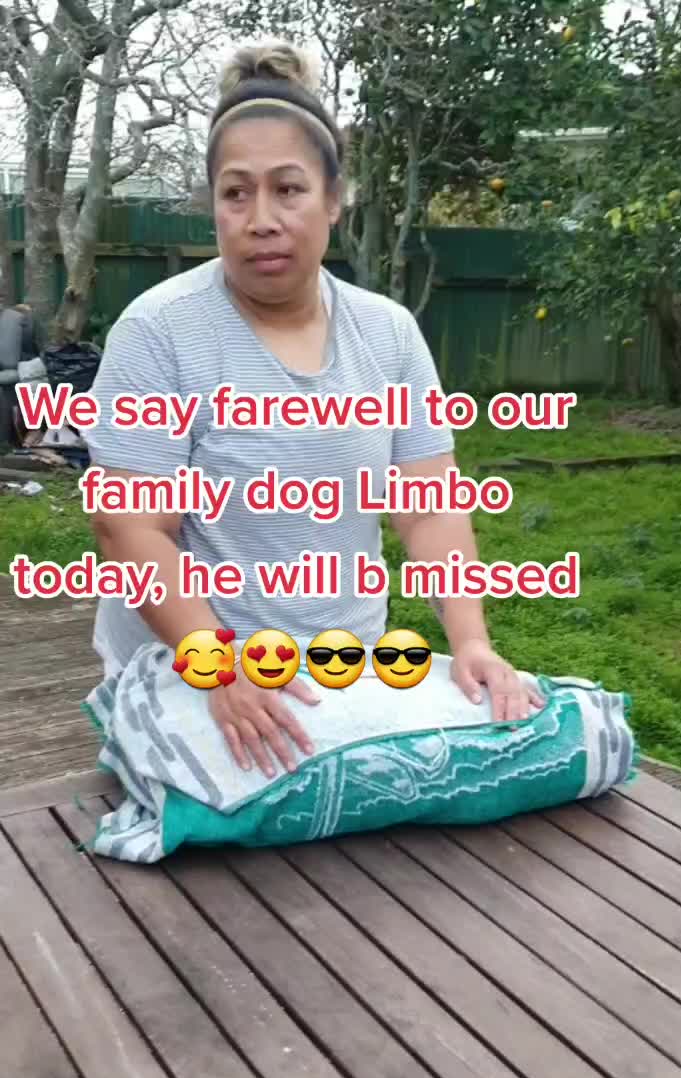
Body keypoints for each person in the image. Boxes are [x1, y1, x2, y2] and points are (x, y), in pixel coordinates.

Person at [88, 41, 543, 780]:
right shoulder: (159, 332)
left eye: (289, 189)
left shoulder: (387, 334)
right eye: (236, 193)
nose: (261, 219)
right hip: (190, 668)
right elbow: (131, 527)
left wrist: (471, 641)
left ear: (334, 198)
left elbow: (428, 508)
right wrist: (219, 668)